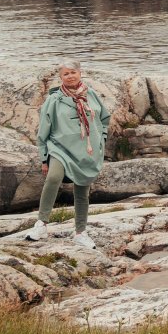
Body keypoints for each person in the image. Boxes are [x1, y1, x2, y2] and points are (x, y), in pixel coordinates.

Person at [26, 60, 110, 249]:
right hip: (60, 148)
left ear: (80, 73)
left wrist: (101, 139)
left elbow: (105, 119)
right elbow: (44, 129)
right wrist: (44, 156)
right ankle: (41, 224)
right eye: (66, 74)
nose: (70, 76)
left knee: (82, 190)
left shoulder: (92, 95)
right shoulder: (54, 100)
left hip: (87, 150)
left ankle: (80, 232)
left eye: (73, 72)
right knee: (53, 177)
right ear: (60, 77)